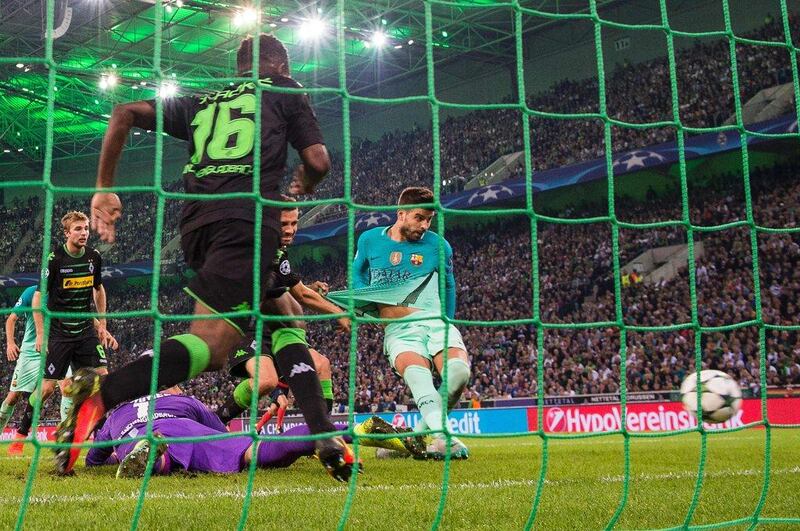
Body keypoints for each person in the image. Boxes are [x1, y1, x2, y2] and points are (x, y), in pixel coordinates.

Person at [57, 33, 350, 481]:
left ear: (237, 69)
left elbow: (124, 113)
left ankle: (323, 430)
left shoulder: (204, 102)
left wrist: (104, 187)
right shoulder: (284, 88)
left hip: (196, 227)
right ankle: (102, 390)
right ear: (280, 65)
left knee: (284, 316)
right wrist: (306, 182)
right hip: (248, 221)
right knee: (211, 347)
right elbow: (319, 159)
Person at [328, 187, 471, 459]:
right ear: (401, 213)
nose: (425, 225)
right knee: (421, 381)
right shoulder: (370, 240)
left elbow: (448, 284)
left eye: (429, 219)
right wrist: (363, 301)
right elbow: (357, 273)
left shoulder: (438, 245)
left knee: (459, 375)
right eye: (419, 218)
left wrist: (448, 320)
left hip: (435, 321)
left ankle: (411, 440)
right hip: (400, 331)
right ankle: (442, 439)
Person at [85, 388, 423, 478]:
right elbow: (217, 429)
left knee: (156, 458)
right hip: (181, 427)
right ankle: (358, 429)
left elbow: (93, 458)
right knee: (255, 452)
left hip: (133, 433)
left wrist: (107, 456)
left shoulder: (117, 414)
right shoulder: (180, 399)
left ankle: (149, 457)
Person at [216, 198, 348, 426]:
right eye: (283, 224)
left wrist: (310, 288)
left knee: (322, 364)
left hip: (276, 329)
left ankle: (319, 432)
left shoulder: (276, 251)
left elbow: (291, 288)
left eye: (294, 223)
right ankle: (216, 421)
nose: (290, 230)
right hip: (247, 328)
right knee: (266, 381)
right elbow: (301, 296)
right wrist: (338, 312)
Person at [10, 213, 117, 454]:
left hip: (85, 331)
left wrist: (102, 324)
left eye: (87, 228)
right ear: (67, 233)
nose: (84, 233)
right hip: (59, 333)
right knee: (47, 389)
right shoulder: (55, 259)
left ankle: (98, 436)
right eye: (78, 228)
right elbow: (38, 296)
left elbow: (98, 290)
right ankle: (21, 434)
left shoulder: (94, 257)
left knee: (102, 379)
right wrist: (40, 333)